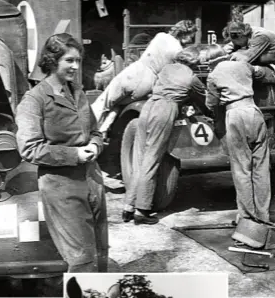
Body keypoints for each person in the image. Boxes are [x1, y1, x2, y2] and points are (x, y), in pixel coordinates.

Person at [15, 33, 108, 272]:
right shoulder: (34, 100)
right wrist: (74, 155)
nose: (76, 67)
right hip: (61, 186)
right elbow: (30, 149)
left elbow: (95, 131)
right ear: (52, 60)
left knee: (100, 252)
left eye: (78, 60)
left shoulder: (76, 91)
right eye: (69, 60)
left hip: (92, 179)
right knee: (82, 260)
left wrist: (95, 145)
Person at [122, 46, 210, 225]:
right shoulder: (192, 78)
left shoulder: (166, 69)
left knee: (139, 158)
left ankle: (128, 207)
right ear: (194, 62)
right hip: (164, 110)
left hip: (148, 106)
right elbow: (205, 101)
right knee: (152, 159)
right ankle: (142, 210)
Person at [91, 20, 198, 136]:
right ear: (184, 34)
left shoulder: (161, 36)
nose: (191, 40)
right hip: (149, 83)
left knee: (103, 102)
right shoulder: (179, 51)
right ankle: (103, 131)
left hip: (135, 72)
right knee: (120, 104)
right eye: (191, 36)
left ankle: (88, 131)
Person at [206, 59, 271, 223]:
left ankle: (247, 218)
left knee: (242, 168)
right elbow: (264, 73)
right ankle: (263, 215)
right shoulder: (244, 65)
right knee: (261, 168)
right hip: (255, 112)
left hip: (235, 114)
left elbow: (211, 104)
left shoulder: (213, 74)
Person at [222, 21, 275, 147]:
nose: (236, 45)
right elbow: (229, 47)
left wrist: (228, 57)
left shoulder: (260, 37)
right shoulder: (244, 34)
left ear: (242, 35)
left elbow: (245, 59)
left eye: (237, 41)